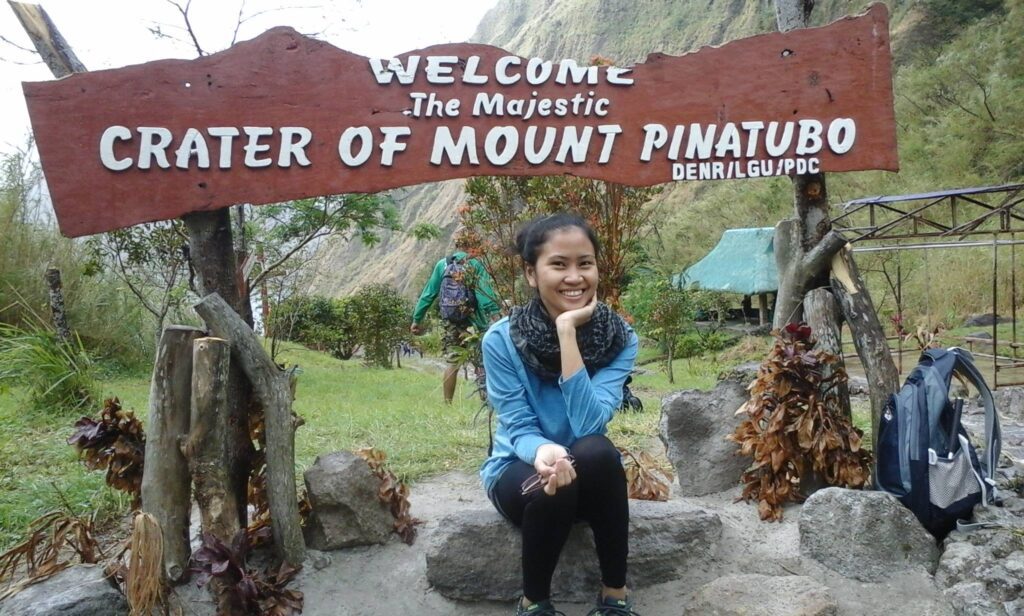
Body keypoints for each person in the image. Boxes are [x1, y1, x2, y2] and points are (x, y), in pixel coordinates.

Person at [480, 213, 640, 616]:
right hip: (523, 469)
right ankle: (534, 603)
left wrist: (567, 332)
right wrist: (544, 452)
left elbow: (589, 424)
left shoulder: (619, 339)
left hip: (589, 476)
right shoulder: (502, 340)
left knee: (598, 451)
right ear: (531, 274)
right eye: (559, 264)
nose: (574, 277)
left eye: (585, 264)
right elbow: (518, 426)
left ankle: (614, 599)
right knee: (556, 479)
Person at [411, 246, 500, 403]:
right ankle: (486, 400)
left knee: (453, 361)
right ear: (470, 249)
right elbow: (483, 293)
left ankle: (447, 404)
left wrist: (416, 319)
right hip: (476, 320)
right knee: (482, 359)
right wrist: (495, 315)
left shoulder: (442, 264)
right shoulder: (475, 264)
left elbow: (429, 294)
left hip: (452, 320)